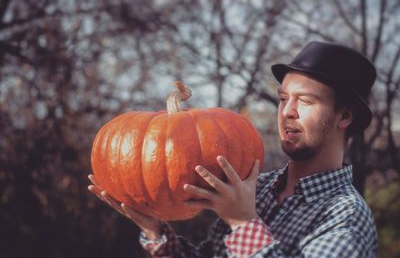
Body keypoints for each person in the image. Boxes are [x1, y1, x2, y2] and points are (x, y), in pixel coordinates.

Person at [88, 41, 378, 257]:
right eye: (283, 98)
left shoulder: (345, 216)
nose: (287, 112)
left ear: (345, 116)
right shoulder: (254, 187)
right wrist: (155, 230)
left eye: (305, 101)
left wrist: (242, 223)